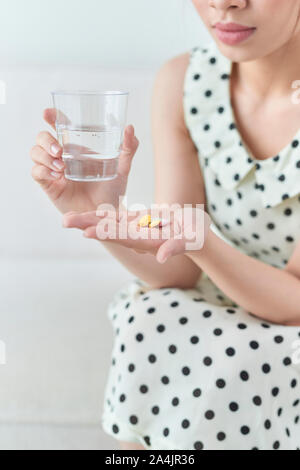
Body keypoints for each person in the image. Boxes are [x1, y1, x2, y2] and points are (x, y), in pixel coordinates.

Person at [31, 0, 300, 451]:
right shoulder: (186, 81)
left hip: (288, 314)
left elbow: (294, 300)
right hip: (221, 295)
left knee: (249, 357)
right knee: (149, 316)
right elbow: (178, 270)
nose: (223, 3)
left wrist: (202, 242)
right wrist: (102, 215)